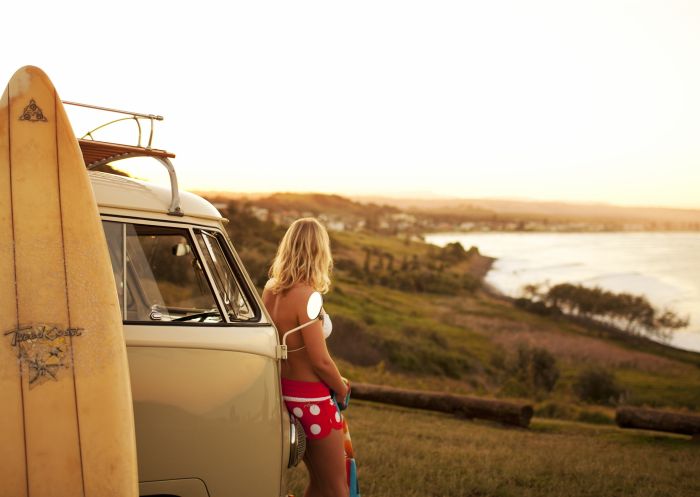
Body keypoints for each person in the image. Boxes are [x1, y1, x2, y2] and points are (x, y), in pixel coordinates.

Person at [262, 218, 350, 497]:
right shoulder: (308, 296)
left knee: (319, 483)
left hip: (286, 396)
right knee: (337, 488)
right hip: (312, 400)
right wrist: (341, 386)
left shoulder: (270, 289)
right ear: (319, 251)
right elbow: (320, 361)